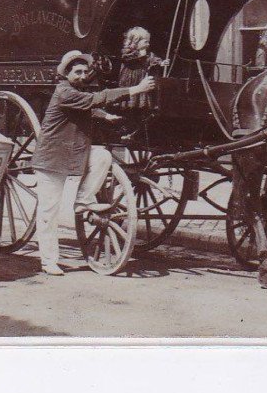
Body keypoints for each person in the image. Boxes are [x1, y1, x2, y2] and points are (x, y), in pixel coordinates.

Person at [32, 50, 156, 276]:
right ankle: (48, 260)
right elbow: (91, 100)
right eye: (76, 72)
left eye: (84, 72)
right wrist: (136, 89)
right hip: (52, 158)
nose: (81, 76)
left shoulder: (73, 93)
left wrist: (105, 116)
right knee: (49, 211)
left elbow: (88, 106)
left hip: (73, 152)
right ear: (66, 74)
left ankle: (83, 201)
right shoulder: (64, 91)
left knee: (102, 156)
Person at [118, 27, 167, 110]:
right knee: (132, 91)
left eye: (148, 42)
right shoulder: (128, 53)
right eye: (145, 42)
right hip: (131, 77)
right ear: (136, 42)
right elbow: (128, 59)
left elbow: (152, 58)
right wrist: (141, 55)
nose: (148, 44)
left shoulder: (148, 54)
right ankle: (128, 106)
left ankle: (141, 107)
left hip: (141, 76)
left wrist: (161, 62)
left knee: (143, 92)